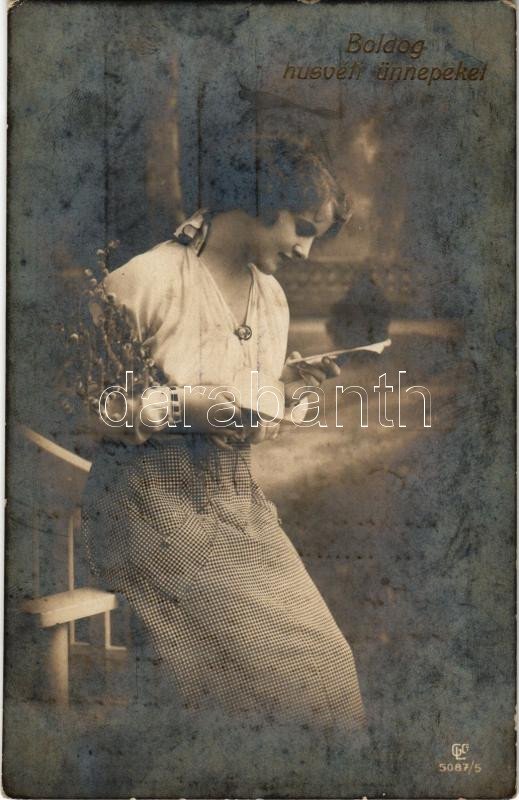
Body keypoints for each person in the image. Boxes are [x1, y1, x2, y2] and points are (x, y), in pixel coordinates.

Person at [81, 138, 366, 732]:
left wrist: (283, 389)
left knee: (331, 667)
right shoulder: (147, 280)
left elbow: (244, 422)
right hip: (148, 505)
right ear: (261, 200)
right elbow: (93, 411)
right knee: (280, 680)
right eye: (302, 228)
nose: (307, 251)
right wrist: (182, 407)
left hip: (237, 505)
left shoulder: (272, 300)